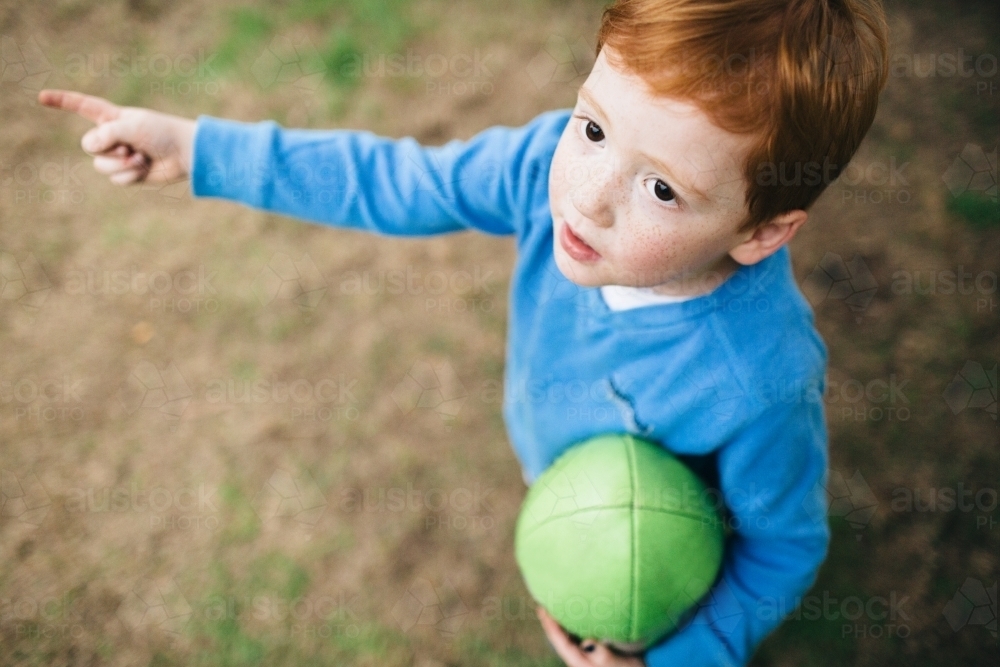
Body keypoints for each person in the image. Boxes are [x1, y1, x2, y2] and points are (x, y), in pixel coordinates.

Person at [39, 0, 889, 664]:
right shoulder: (540, 170)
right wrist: (197, 150)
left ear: (763, 231)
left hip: (660, 568)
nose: (587, 196)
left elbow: (783, 543)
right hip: (555, 461)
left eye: (662, 190)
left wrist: (681, 655)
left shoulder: (758, 374)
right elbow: (395, 181)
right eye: (593, 127)